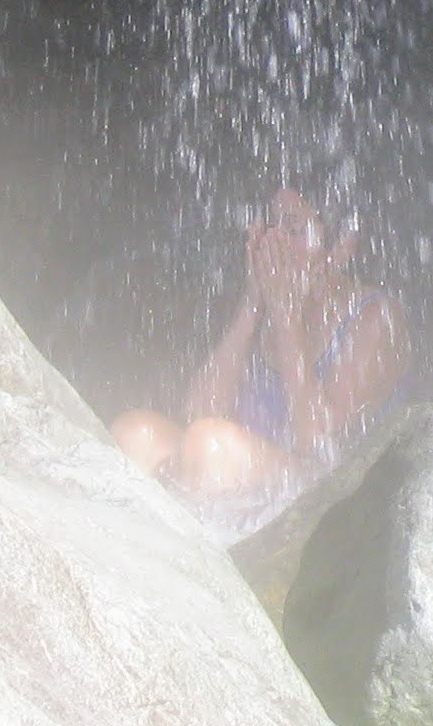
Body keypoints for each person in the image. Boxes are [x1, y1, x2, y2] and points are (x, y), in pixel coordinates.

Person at [111, 188, 410, 505]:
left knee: (208, 444)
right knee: (135, 433)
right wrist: (253, 302)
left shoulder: (376, 318)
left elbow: (317, 443)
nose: (273, 242)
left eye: (293, 230)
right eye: (271, 227)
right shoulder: (267, 300)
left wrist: (285, 316)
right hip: (237, 471)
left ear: (340, 249)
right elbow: (199, 411)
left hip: (333, 496)